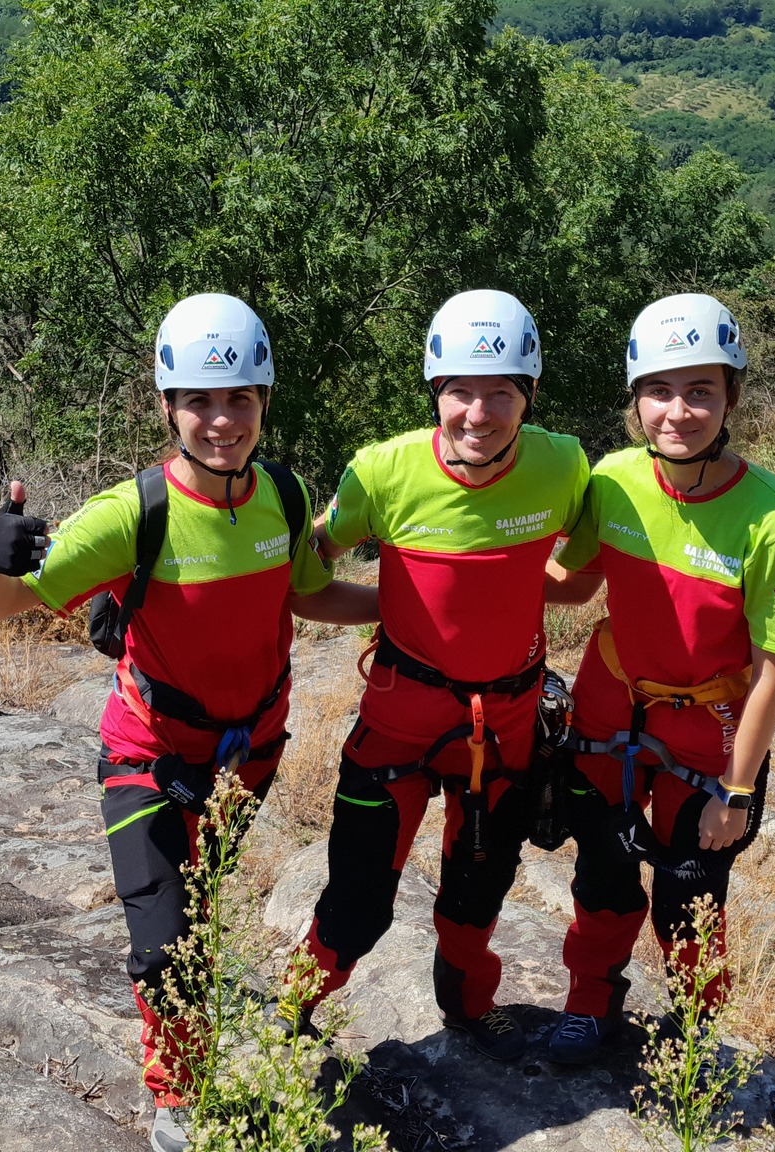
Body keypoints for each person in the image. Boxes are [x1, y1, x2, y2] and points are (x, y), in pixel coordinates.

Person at [0, 293, 376, 1152]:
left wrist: (394, 609)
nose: (220, 421)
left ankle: (191, 1028)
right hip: (147, 752)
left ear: (264, 401)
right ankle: (177, 1099)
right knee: (164, 941)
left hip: (248, 755)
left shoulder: (288, 499)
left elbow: (304, 592)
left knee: (193, 908)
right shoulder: (131, 515)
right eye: (197, 401)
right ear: (166, 406)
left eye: (239, 401)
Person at [292, 289, 590, 1062]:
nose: (478, 413)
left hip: (509, 719)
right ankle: (292, 1014)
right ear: (435, 392)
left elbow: (578, 571)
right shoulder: (382, 472)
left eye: (501, 393)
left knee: (477, 891)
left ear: (529, 395)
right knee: (357, 898)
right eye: (460, 390)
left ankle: (467, 1007)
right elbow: (306, 565)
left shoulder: (563, 463)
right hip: (401, 714)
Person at [541, 292, 775, 1065]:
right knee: (602, 870)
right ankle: (591, 1001)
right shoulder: (616, 481)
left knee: (689, 891)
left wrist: (737, 790)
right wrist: (478, 561)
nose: (678, 411)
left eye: (701, 390)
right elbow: (573, 581)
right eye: (659, 390)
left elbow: (773, 671)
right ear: (635, 401)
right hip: (609, 710)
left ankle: (693, 1027)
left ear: (730, 398)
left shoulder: (771, 517)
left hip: (709, 730)